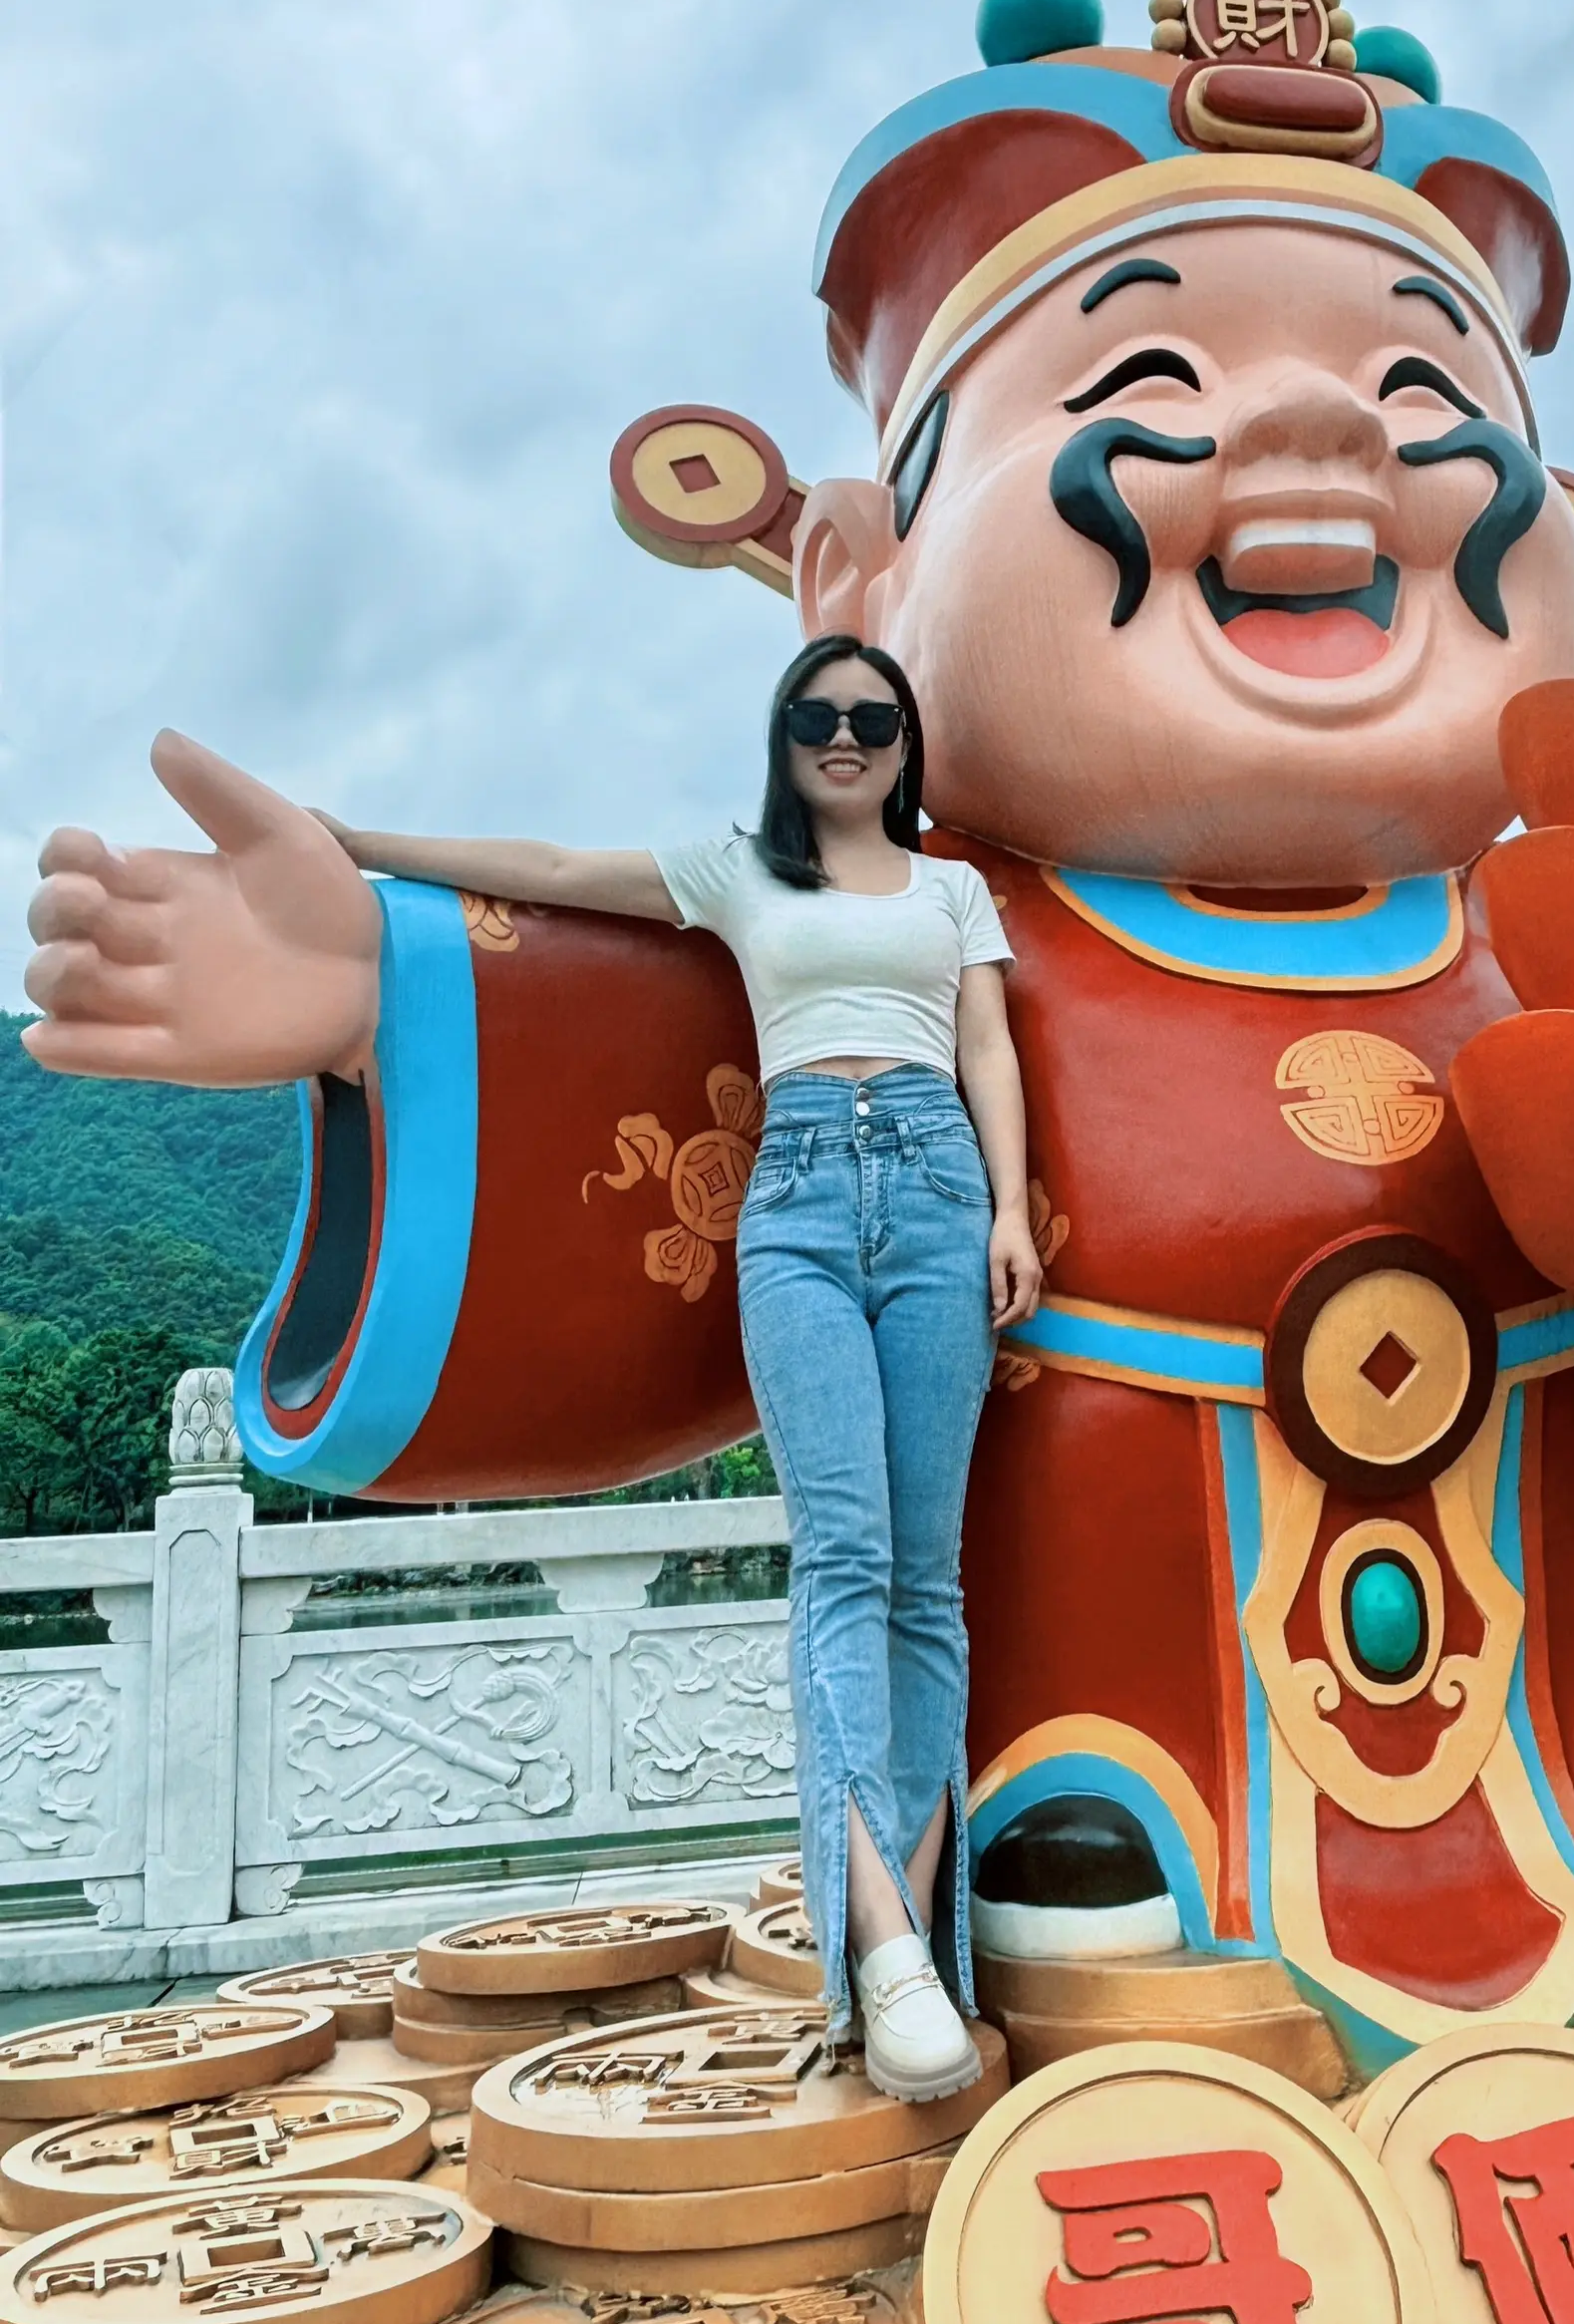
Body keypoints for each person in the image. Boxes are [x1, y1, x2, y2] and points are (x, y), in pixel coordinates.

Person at [311, 633, 1044, 2099]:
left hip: (941, 1195)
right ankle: (884, 1949)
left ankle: (908, 1926)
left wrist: (1012, 1211)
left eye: (874, 718)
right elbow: (552, 873)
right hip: (798, 1206)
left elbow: (990, 1049)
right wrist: (365, 845)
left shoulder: (953, 891)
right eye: (820, 715)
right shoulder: (738, 872)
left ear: (906, 746)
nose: (847, 737)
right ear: (786, 737)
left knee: (926, 1577)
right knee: (843, 1561)